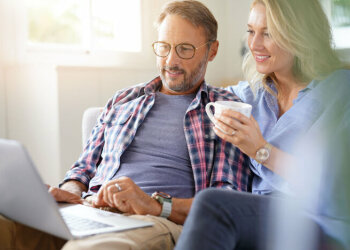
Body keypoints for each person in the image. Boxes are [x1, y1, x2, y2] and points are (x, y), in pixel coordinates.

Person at [0, 1, 252, 250]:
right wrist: (67, 192)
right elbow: (83, 169)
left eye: (185, 49)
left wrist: (155, 204)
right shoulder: (124, 99)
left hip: (153, 222)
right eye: (164, 47)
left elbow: (225, 204)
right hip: (91, 211)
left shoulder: (225, 108)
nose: (170, 60)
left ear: (212, 50)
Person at [175, 0, 350, 249]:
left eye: (267, 33)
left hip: (320, 221)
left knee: (211, 203)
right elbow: (193, 100)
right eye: (251, 31)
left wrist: (261, 150)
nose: (254, 44)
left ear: (301, 35)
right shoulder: (248, 96)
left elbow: (338, 191)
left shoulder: (341, 91)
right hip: (256, 219)